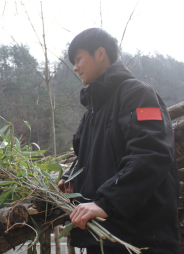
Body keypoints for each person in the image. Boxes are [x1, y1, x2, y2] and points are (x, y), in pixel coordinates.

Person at [58, 28, 181, 254]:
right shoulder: (92, 111)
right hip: (104, 238)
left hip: (140, 240)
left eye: (78, 59)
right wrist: (72, 177)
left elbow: (151, 153)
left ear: (100, 54)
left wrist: (106, 202)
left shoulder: (137, 94)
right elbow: (91, 157)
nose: (74, 68)